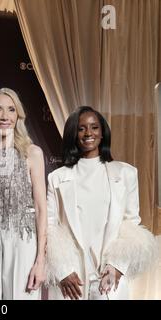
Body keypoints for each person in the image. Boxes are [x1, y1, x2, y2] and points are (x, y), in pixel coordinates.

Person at [46, 106, 157, 300]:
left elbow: (131, 223)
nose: (89, 133)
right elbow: (48, 226)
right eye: (81, 128)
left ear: (102, 132)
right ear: (73, 133)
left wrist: (118, 266)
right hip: (72, 280)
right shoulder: (57, 178)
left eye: (94, 127)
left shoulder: (126, 173)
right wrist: (63, 270)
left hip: (109, 276)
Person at [0, 88, 47, 300]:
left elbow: (41, 209)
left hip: (24, 240)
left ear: (18, 116)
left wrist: (40, 260)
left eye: (11, 110)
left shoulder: (32, 153)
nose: (5, 116)